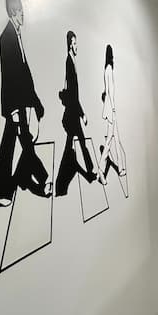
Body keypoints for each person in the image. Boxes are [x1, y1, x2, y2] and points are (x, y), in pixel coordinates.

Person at [0, 0, 52, 208]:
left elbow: (24, 74)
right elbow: (8, 76)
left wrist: (35, 102)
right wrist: (14, 110)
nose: (23, 14)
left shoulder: (15, 35)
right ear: (13, 12)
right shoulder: (6, 37)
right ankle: (42, 180)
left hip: (21, 103)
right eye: (20, 11)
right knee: (22, 143)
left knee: (14, 144)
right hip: (15, 104)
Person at [55, 31, 96, 196]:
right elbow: (72, 94)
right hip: (72, 114)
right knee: (80, 142)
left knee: (73, 144)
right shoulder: (69, 62)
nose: (77, 45)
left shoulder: (72, 61)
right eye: (75, 43)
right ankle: (88, 172)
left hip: (72, 113)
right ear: (70, 45)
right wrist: (82, 113)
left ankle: (62, 185)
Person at [99, 44, 128, 196]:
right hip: (111, 110)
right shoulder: (109, 69)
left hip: (109, 109)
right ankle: (100, 170)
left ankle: (121, 168)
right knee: (110, 140)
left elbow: (106, 91)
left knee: (115, 139)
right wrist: (114, 109)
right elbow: (109, 92)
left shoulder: (107, 69)